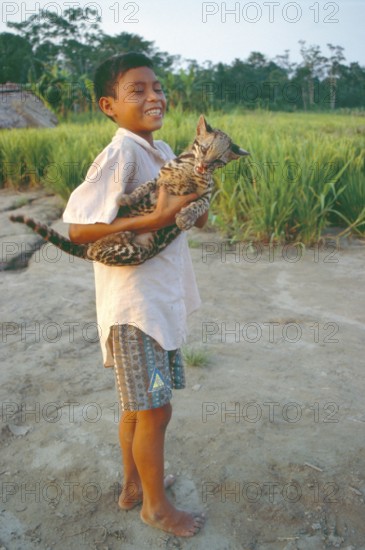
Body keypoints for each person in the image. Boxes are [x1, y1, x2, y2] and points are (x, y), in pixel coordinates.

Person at [62, 52, 207, 537]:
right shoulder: (121, 154)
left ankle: (132, 487)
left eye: (158, 87)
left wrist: (196, 201)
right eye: (137, 91)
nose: (154, 97)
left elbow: (189, 217)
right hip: (135, 307)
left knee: (136, 405)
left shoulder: (162, 150)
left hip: (157, 302)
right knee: (155, 409)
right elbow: (79, 228)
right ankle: (157, 509)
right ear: (108, 105)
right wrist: (151, 220)